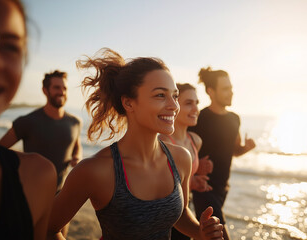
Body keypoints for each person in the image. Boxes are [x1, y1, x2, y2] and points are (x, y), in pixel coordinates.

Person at [47, 48, 224, 240]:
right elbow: (48, 227)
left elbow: (179, 216)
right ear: (129, 103)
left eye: (174, 95)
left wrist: (200, 231)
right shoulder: (96, 170)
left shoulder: (181, 158)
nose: (174, 106)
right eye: (160, 95)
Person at [0, 0, 57, 239]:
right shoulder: (28, 121)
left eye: (9, 47)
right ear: (45, 90)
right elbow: (4, 143)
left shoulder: (37, 177)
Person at [189, 67, 256, 240]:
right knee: (220, 236)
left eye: (231, 88)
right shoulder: (199, 118)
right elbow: (180, 148)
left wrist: (246, 148)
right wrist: (194, 166)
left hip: (222, 188)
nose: (231, 93)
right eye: (225, 89)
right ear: (211, 92)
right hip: (204, 188)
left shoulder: (234, 118)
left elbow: (234, 150)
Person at [0, 70, 82, 191]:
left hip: (59, 195)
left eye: (65, 88)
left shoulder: (75, 122)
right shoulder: (27, 121)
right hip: (28, 194)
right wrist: (22, 160)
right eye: (57, 87)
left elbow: (76, 145)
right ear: (45, 90)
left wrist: (77, 157)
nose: (62, 92)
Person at [159, 83, 213, 240]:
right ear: (174, 105)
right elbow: (159, 186)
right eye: (188, 103)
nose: (195, 109)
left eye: (197, 103)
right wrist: (192, 182)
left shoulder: (195, 141)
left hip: (185, 210)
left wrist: (200, 168)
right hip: (165, 217)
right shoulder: (163, 141)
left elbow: (186, 173)